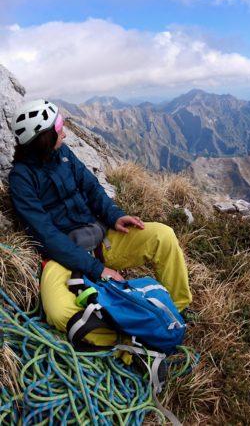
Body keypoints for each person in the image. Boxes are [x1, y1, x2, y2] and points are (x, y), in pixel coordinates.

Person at [6, 99, 191, 348]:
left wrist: (114, 216)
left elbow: (92, 188)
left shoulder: (63, 154)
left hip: (100, 240)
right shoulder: (21, 179)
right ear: (44, 139)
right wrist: (97, 270)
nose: (65, 131)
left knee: (163, 236)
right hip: (60, 259)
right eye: (59, 126)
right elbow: (47, 236)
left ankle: (175, 313)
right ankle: (128, 340)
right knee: (58, 310)